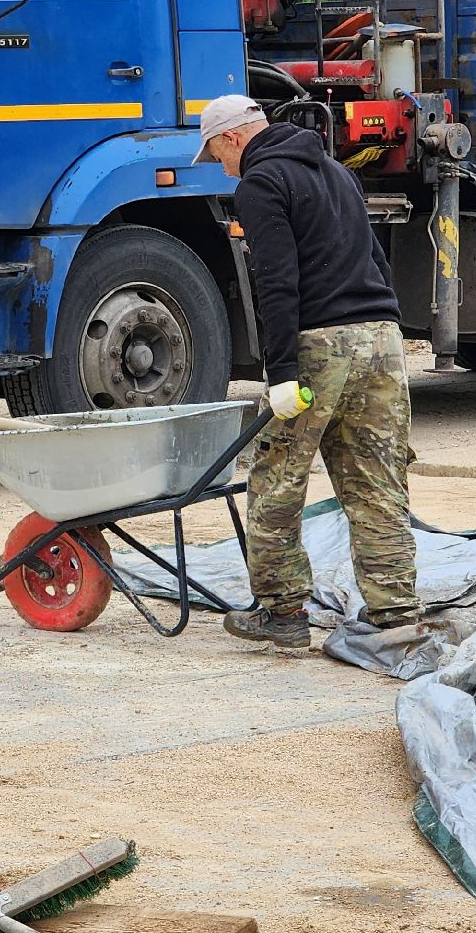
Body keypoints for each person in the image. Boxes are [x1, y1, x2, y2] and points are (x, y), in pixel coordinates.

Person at [193, 94, 421, 648]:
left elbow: (277, 282)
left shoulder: (260, 184)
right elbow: (377, 258)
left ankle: (284, 613)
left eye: (216, 154)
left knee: (278, 480)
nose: (221, 167)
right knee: (377, 479)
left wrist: (282, 372)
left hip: (321, 346)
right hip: (382, 341)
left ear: (231, 138)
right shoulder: (339, 173)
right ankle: (396, 615)